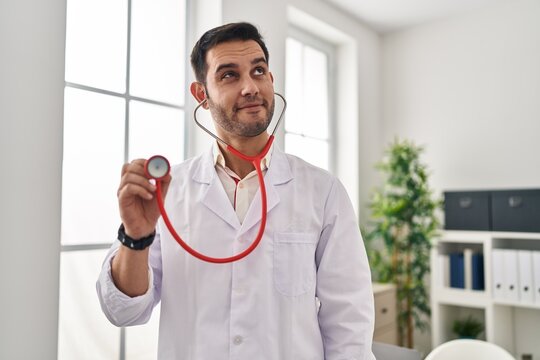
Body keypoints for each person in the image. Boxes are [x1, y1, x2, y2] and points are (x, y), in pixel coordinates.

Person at [97, 22, 375, 360]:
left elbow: (349, 325)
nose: (250, 87)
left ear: (271, 81)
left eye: (258, 71)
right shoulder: (168, 192)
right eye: (229, 75)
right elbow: (124, 311)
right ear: (202, 95)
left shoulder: (322, 191)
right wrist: (136, 237)